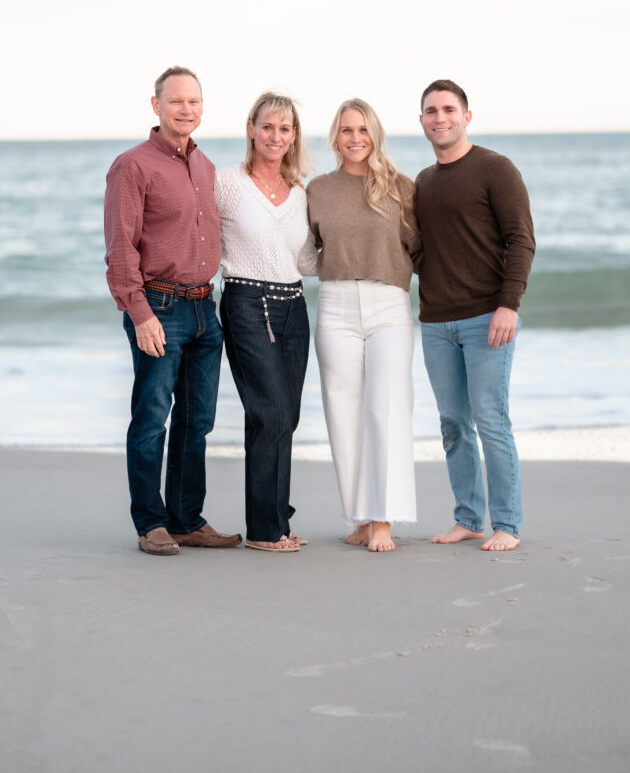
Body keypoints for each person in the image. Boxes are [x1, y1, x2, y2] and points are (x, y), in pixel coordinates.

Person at [104, 66, 241, 556]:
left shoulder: (204, 167)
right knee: (151, 418)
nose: (187, 109)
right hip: (159, 307)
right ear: (156, 105)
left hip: (206, 309)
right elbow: (121, 249)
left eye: (195, 102)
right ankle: (151, 523)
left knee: (197, 421)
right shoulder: (132, 165)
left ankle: (186, 519)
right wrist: (140, 314)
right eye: (177, 101)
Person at [415, 78, 535, 551]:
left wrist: (509, 304)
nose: (439, 118)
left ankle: (507, 524)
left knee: (491, 419)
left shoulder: (495, 168)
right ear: (421, 120)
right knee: (452, 424)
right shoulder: (423, 181)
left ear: (466, 116)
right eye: (430, 111)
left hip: (487, 317)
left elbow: (521, 239)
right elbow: (422, 250)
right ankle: (468, 517)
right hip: (435, 323)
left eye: (448, 109)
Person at [307, 99, 420, 553]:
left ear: (375, 135)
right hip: (334, 304)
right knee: (343, 411)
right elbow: (302, 249)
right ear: (335, 136)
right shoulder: (316, 189)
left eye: (363, 130)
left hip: (389, 303)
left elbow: (422, 250)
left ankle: (383, 520)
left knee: (387, 407)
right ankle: (358, 516)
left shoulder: (401, 188)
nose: (355, 138)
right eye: (347, 130)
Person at [215, 92, 316, 553]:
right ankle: (262, 530)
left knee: (285, 417)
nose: (277, 136)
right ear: (251, 128)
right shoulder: (227, 184)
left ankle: (277, 519)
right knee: (269, 411)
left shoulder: (300, 193)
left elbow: (307, 259)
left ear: (294, 136)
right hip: (246, 302)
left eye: (286, 128)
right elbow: (196, 234)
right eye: (268, 126)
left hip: (294, 306)